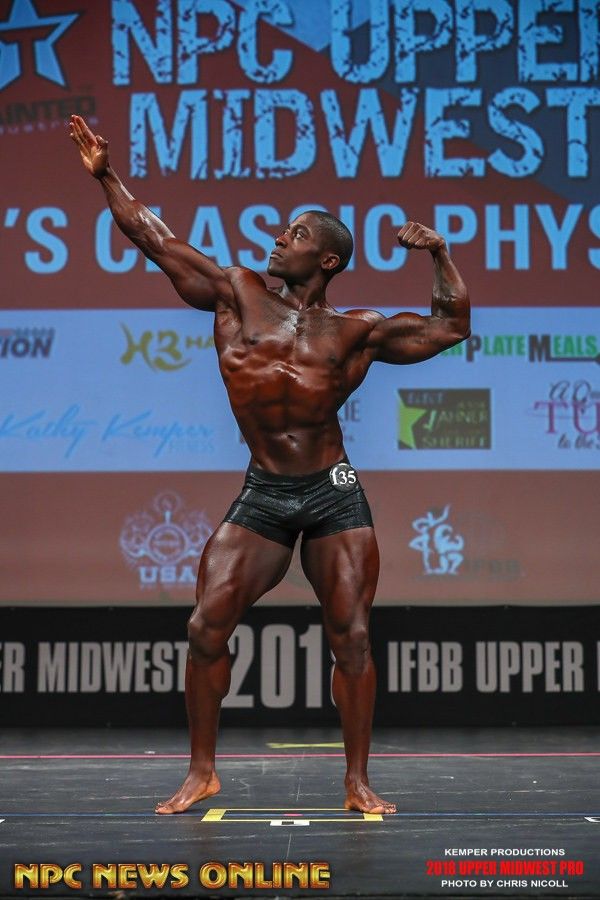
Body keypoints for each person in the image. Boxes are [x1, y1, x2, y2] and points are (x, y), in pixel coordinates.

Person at [69, 114, 470, 816]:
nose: (281, 238)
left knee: (351, 637)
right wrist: (107, 176)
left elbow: (450, 326)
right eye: (284, 230)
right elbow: (154, 237)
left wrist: (439, 253)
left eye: (298, 234)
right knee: (205, 627)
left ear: (328, 261)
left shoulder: (356, 331)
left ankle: (357, 782)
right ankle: (202, 772)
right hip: (265, 491)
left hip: (333, 492)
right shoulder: (236, 293)